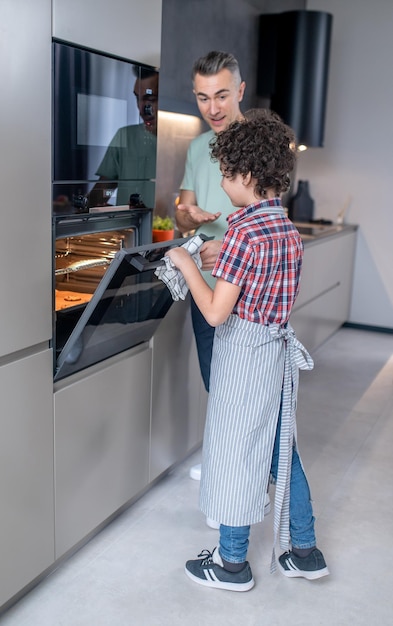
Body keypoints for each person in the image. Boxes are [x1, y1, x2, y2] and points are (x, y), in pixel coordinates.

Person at [166, 111, 329, 591]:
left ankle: (232, 562)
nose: (221, 181)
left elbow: (216, 313)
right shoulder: (285, 229)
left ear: (249, 175)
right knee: (281, 451)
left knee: (237, 452)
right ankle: (305, 550)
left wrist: (184, 262)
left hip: (243, 358)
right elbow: (257, 274)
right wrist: (221, 259)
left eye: (227, 173)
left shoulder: (240, 230)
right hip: (276, 356)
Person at [176, 51, 270, 522]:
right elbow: (182, 207)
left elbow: (267, 219)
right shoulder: (197, 149)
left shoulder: (258, 145)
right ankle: (224, 466)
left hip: (245, 289)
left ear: (240, 90)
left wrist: (225, 246)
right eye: (201, 97)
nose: (212, 107)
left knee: (247, 394)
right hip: (205, 285)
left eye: (221, 95)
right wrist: (189, 216)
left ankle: (246, 485)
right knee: (218, 381)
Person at [89, 66, 158, 209]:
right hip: (126, 230)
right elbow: (101, 191)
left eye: (150, 99)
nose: (141, 108)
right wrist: (77, 205)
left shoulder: (179, 145)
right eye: (137, 99)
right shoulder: (125, 135)